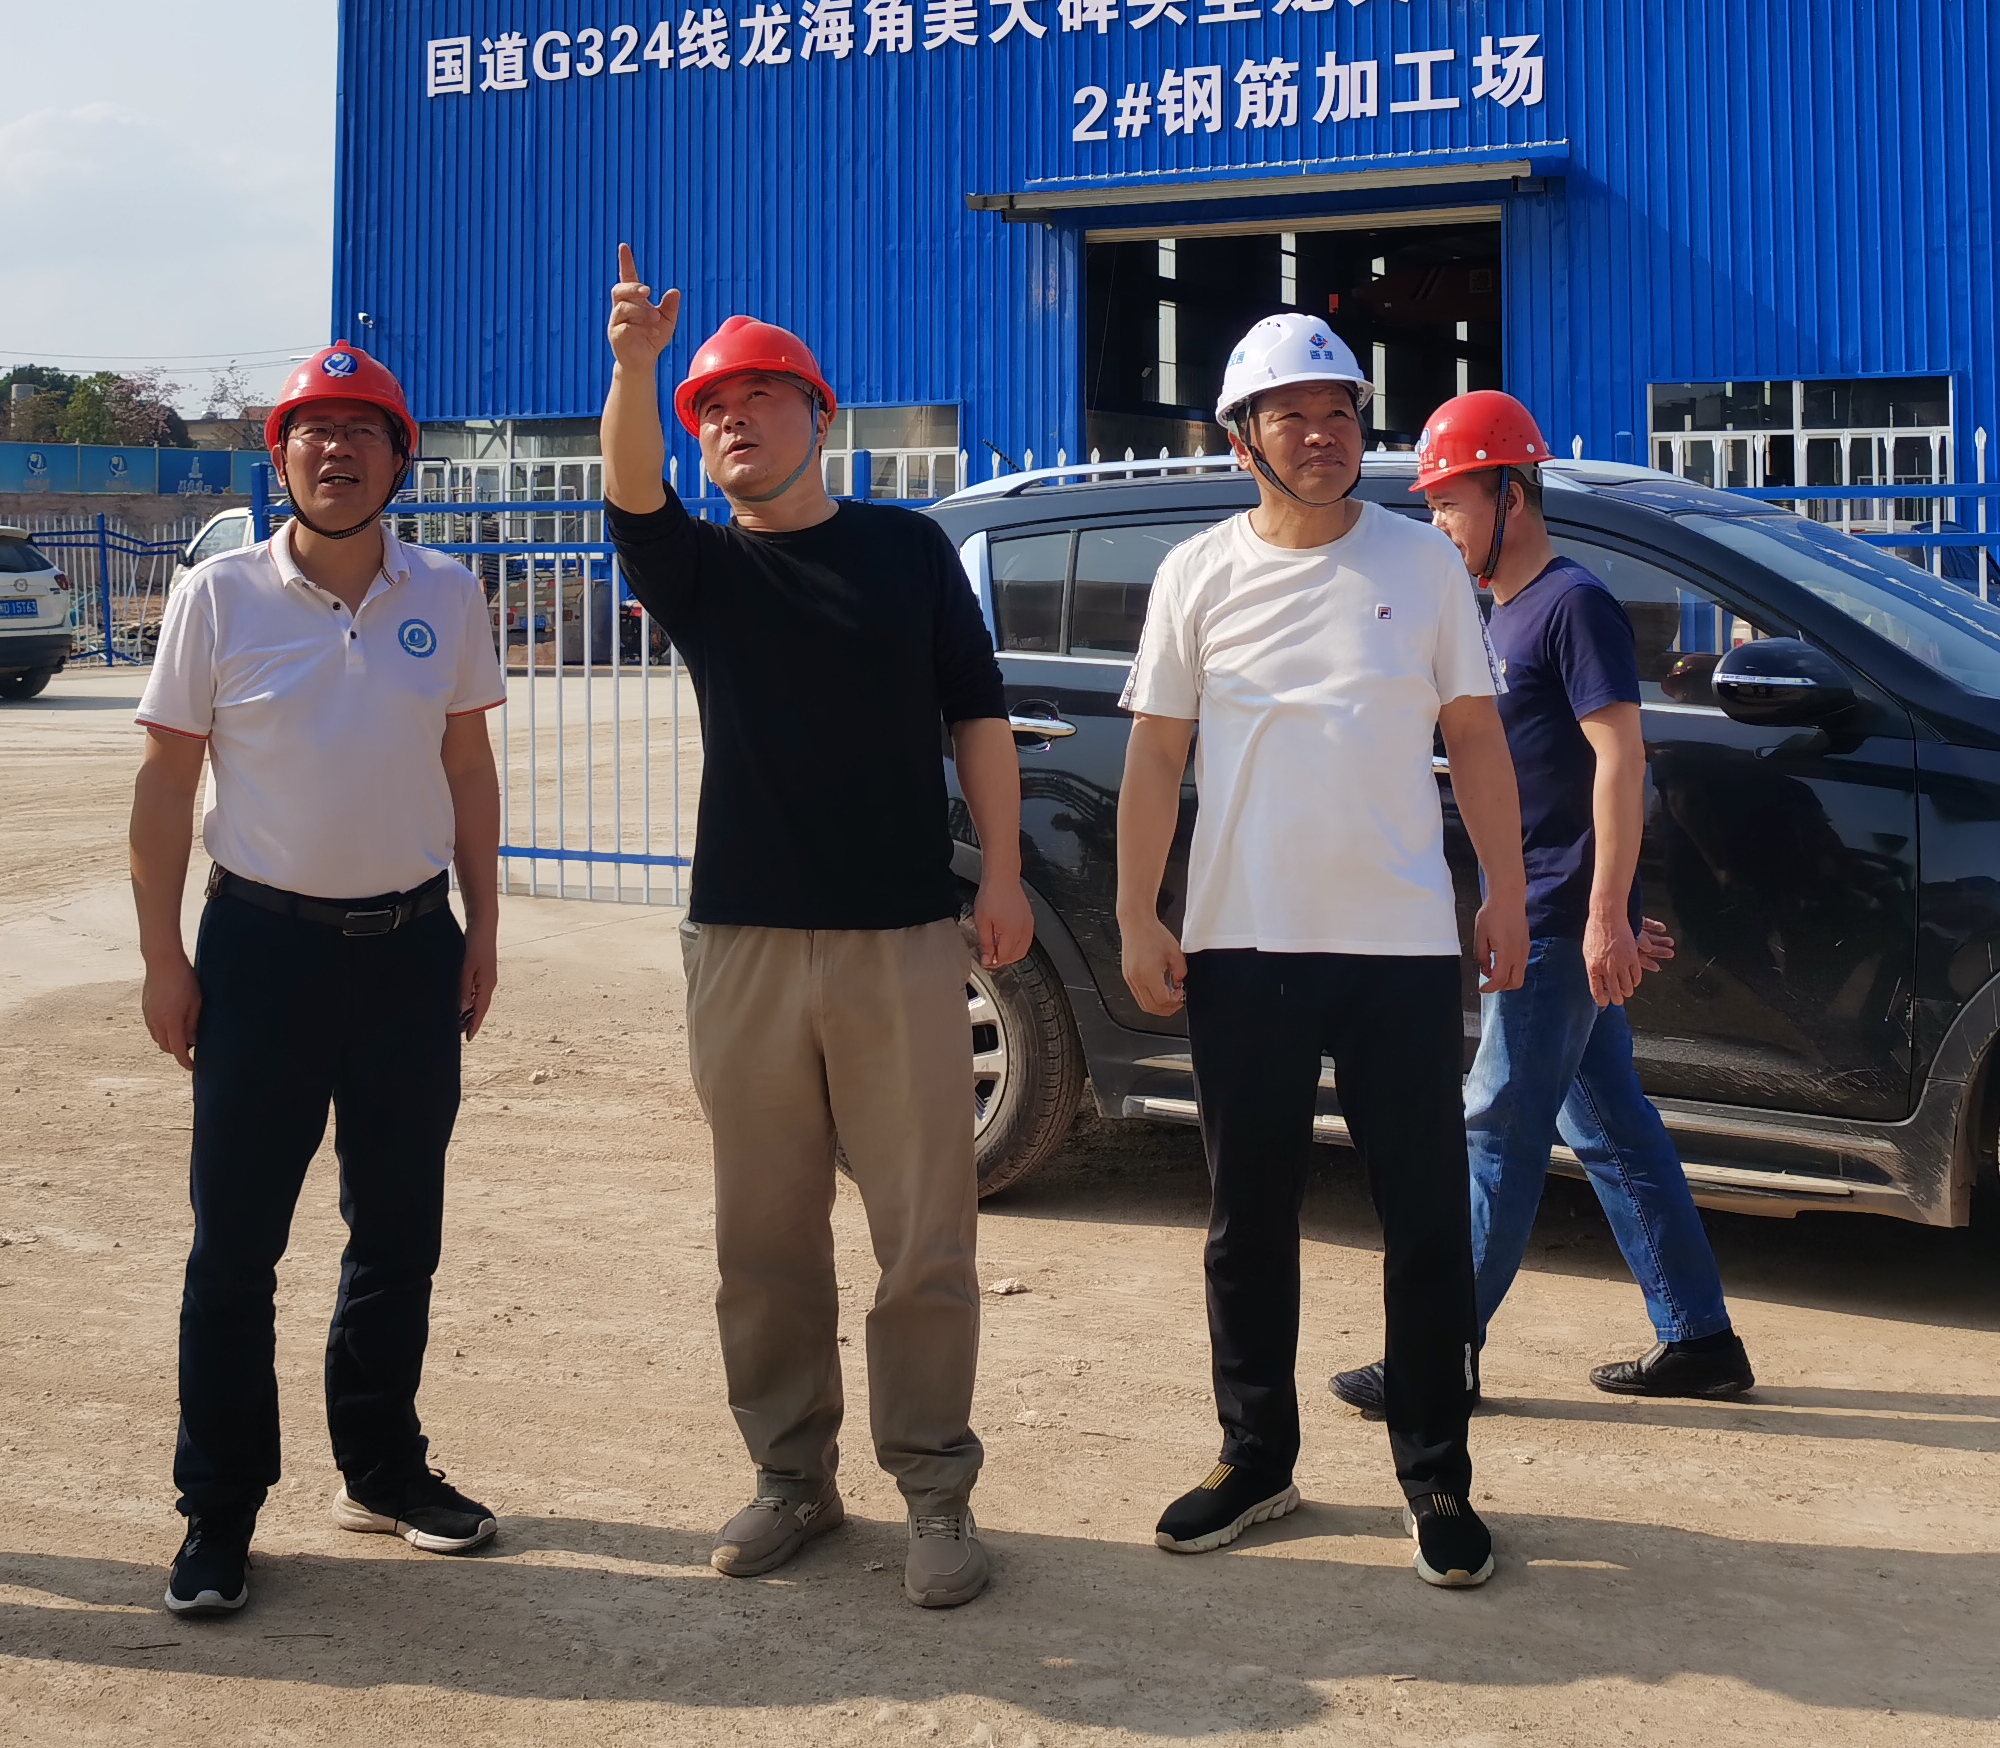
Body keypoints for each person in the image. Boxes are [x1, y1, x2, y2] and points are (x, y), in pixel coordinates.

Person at [598, 248, 1030, 1611]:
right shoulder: (704, 571)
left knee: (924, 1237)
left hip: (901, 936)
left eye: (758, 400)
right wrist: (635, 371)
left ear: (819, 415)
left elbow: (977, 713)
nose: (731, 421)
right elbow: (629, 488)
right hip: (744, 943)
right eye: (711, 410)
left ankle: (936, 1492)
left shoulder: (907, 552)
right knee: (765, 1238)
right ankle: (793, 1478)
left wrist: (1004, 876)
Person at [1116, 315, 1530, 1590]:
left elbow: (1475, 737)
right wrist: (1138, 912)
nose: (1323, 434)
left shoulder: (1423, 561)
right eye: (1293, 415)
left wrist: (1506, 894)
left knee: (1424, 1221)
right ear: (1241, 439)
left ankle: (1436, 1473)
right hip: (1244, 940)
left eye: (1341, 411)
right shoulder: (1196, 573)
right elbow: (1157, 753)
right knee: (1248, 1218)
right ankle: (1256, 1458)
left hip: (1397, 942)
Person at [128, 342, 506, 1618]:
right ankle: (220, 1510)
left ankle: (382, 1470)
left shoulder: (447, 592)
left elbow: (467, 769)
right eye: (313, 430)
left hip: (410, 950)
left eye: (363, 431)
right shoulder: (219, 596)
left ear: (401, 460)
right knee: (235, 1248)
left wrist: (483, 927)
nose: (337, 450)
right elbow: (166, 783)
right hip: (261, 955)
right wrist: (164, 957)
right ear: (280, 457)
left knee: (398, 1234)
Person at [1325, 390, 1751, 1421]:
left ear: (1511, 495)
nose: (1438, 523)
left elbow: (1619, 760)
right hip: (1551, 906)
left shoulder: (1571, 604)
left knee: (1494, 1131)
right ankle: (1700, 1339)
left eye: (1450, 502)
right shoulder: (1498, 614)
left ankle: (1438, 1357)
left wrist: (1605, 911)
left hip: (1559, 915)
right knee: (1615, 1132)